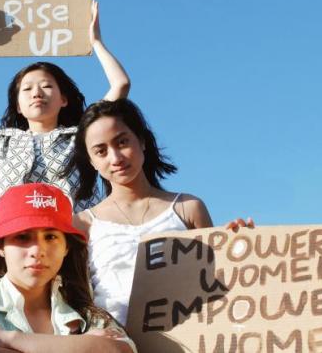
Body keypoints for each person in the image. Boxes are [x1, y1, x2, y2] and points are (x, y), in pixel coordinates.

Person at [0, 1, 131, 246]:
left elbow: (120, 84)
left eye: (46, 86)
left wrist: (96, 42)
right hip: (2, 249)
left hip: (68, 247)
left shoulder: (83, 137)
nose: (37, 93)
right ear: (18, 106)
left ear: (63, 99)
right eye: (27, 89)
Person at [62, 99, 253, 325]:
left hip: (187, 339)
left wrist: (243, 246)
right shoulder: (82, 224)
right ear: (92, 161)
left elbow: (216, 279)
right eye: (101, 151)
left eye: (122, 142)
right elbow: (76, 299)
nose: (115, 158)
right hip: (117, 343)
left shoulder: (188, 208)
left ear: (142, 141)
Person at [0, 183, 136, 353]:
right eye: (22, 237)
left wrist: (0, 338)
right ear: (0, 246)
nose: (37, 250)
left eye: (50, 237)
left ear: (66, 247)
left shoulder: (88, 317)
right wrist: (78, 347)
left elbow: (120, 350)